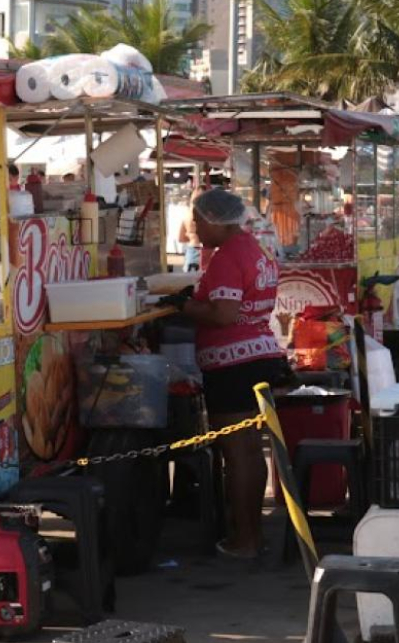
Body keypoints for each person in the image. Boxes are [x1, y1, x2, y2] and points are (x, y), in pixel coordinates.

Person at [165, 188, 289, 558]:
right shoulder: (255, 249)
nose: (195, 228)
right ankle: (253, 535)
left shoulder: (226, 256)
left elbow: (223, 315)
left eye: (199, 220)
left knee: (237, 454)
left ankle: (245, 539)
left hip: (233, 364)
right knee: (250, 453)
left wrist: (184, 306)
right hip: (261, 357)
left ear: (217, 220)